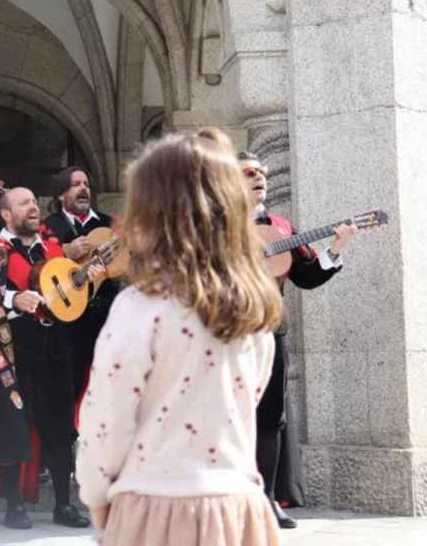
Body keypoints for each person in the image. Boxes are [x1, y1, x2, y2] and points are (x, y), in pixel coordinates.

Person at [76, 128, 284, 546]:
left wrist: (97, 495)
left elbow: (106, 420)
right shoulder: (255, 307)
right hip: (239, 508)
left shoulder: (140, 307)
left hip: (157, 508)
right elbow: (247, 401)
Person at [0, 187, 91, 530]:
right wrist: (12, 300)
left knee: (59, 427)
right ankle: (14, 504)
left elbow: (68, 294)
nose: (33, 208)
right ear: (7, 215)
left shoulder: (52, 248)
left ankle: (64, 504)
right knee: (13, 426)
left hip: (54, 348)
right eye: (24, 204)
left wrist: (84, 281)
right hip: (11, 351)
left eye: (34, 202)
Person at [238, 151, 355, 528]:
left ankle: (268, 499)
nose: (260, 178)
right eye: (249, 172)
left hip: (272, 331)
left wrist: (335, 248)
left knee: (272, 417)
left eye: (263, 172)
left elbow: (305, 276)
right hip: (228, 333)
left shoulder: (282, 227)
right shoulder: (215, 227)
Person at [42, 166, 120, 404]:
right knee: (68, 387)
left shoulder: (110, 224)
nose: (83, 188)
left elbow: (128, 264)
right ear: (61, 194)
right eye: (76, 184)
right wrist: (66, 252)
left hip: (105, 317)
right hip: (66, 320)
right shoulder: (49, 226)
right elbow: (37, 266)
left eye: (86, 184)